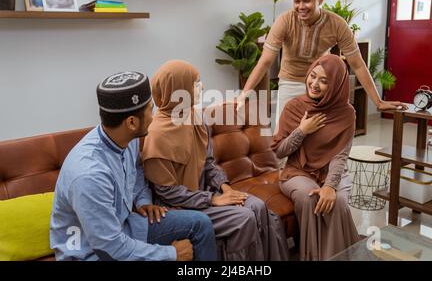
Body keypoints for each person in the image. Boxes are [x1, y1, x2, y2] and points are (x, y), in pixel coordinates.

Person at [50, 71, 217, 261]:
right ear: (131, 122)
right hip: (92, 253)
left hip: (125, 227)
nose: (154, 116)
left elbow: (136, 170)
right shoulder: (89, 176)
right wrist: (172, 254)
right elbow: (110, 248)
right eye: (150, 109)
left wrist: (143, 200)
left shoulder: (126, 139)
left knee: (200, 224)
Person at [142, 60, 289, 261]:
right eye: (195, 83)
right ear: (178, 89)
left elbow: (209, 162)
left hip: (205, 192)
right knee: (244, 217)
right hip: (181, 207)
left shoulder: (194, 116)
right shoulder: (157, 135)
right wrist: (212, 199)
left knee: (257, 206)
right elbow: (167, 192)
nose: (201, 87)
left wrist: (226, 188)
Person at [237, 0, 406, 124]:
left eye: (307, 1)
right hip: (289, 82)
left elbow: (357, 64)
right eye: (297, 1)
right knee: (284, 139)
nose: (301, 6)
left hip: (322, 85)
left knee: (319, 140)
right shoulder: (284, 21)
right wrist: (245, 93)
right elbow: (266, 60)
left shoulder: (337, 24)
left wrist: (378, 101)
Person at [271, 54, 360, 260]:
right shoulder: (294, 106)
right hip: (297, 172)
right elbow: (279, 151)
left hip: (333, 173)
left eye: (324, 80)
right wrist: (302, 130)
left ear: (337, 84)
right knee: (310, 198)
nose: (314, 84)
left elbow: (340, 155)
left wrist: (330, 186)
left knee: (336, 202)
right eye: (313, 76)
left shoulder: (347, 113)